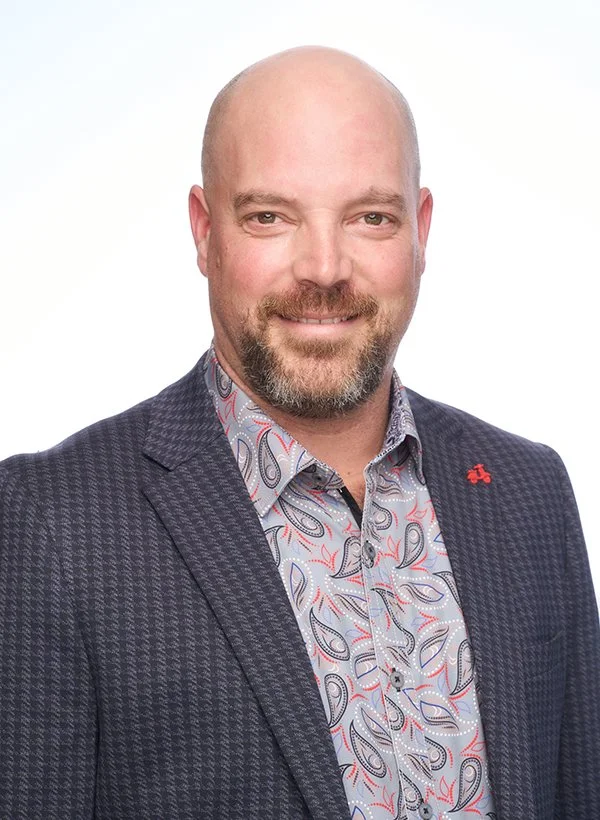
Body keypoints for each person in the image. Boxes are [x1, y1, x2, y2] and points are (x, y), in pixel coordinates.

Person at [0, 46, 598, 820]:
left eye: (370, 217)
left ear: (420, 231)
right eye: (270, 217)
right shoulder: (53, 523)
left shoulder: (528, 491)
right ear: (205, 232)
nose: (323, 267)